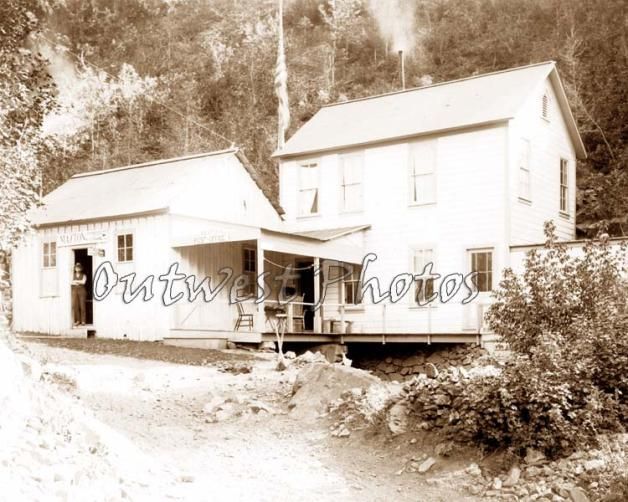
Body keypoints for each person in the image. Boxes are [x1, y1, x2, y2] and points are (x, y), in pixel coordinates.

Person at [71, 262, 87, 327]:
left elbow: (83, 282)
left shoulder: (84, 275)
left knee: (82, 305)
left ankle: (83, 321)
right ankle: (78, 321)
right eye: (76, 267)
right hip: (74, 290)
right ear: (75, 268)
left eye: (79, 267)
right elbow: (71, 282)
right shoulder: (72, 275)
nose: (77, 269)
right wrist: (78, 282)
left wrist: (76, 282)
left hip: (82, 290)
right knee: (75, 305)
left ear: (81, 269)